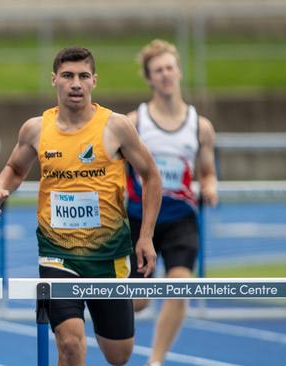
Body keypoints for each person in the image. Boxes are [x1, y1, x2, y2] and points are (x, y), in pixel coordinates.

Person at [0, 47, 162, 366]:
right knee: (70, 343)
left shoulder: (116, 127)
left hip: (108, 257)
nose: (76, 83)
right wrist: (1, 188)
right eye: (68, 76)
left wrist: (146, 236)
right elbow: (15, 168)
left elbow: (151, 176)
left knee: (119, 354)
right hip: (58, 253)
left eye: (83, 76)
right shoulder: (36, 129)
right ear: (54, 79)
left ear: (94, 81)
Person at [126, 39, 218, 366]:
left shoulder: (200, 127)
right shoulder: (134, 123)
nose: (165, 75)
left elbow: (207, 172)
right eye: (158, 70)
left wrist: (210, 186)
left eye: (169, 68)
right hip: (140, 220)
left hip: (180, 219)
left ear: (178, 72)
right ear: (149, 78)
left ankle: (156, 360)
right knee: (137, 301)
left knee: (180, 286)